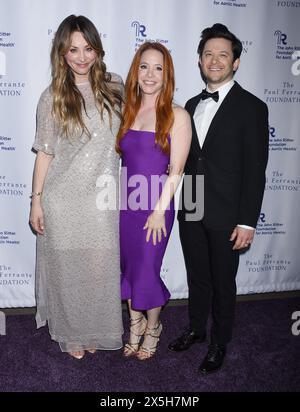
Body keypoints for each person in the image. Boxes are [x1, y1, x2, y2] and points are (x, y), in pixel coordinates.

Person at [168, 24, 269, 374]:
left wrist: (247, 221)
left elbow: (256, 171)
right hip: (192, 202)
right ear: (199, 60)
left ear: (236, 62)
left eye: (223, 54)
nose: (215, 60)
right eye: (208, 54)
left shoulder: (253, 108)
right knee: (198, 275)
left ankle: (219, 342)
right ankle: (196, 329)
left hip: (228, 212)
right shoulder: (191, 104)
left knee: (224, 281)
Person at [29, 15, 124, 359]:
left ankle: (95, 327)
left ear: (98, 49)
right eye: (73, 49)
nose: (82, 57)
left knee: (99, 269)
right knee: (68, 270)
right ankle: (71, 333)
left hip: (101, 197)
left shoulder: (116, 86)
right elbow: (45, 153)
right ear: (62, 53)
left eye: (88, 48)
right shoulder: (52, 96)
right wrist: (36, 201)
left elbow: (142, 122)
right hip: (63, 197)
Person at [116, 42, 192, 360]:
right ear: (136, 71)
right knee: (129, 269)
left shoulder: (177, 115)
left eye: (158, 68)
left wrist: (159, 211)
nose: (150, 74)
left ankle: (154, 326)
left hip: (156, 205)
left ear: (167, 75)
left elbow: (177, 170)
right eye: (144, 66)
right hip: (124, 204)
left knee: (146, 269)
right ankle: (134, 326)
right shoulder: (127, 110)